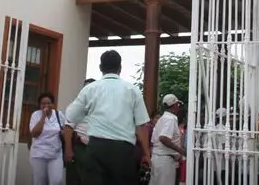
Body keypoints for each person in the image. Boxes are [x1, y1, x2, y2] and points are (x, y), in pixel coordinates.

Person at [64, 50, 151, 185]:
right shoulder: (132, 90)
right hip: (123, 151)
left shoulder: (90, 89)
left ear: (100, 68)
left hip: (96, 149)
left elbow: (71, 117)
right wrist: (146, 154)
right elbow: (141, 126)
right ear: (120, 68)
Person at [63, 78, 96, 185]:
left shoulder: (101, 108)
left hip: (95, 150)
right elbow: (68, 128)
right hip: (79, 149)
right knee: (75, 180)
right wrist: (68, 150)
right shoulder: (76, 107)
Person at [29, 92, 66, 185]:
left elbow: (65, 130)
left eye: (49, 103)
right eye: (43, 103)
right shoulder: (35, 115)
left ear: (53, 104)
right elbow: (34, 134)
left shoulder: (59, 115)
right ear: (39, 105)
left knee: (56, 181)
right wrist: (43, 117)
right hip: (39, 154)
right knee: (39, 182)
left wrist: (63, 133)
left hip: (55, 155)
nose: (46, 105)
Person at [149, 94, 185, 185]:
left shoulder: (163, 119)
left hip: (159, 158)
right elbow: (163, 138)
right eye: (178, 105)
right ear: (175, 105)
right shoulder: (170, 119)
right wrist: (180, 150)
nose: (179, 107)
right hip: (165, 161)